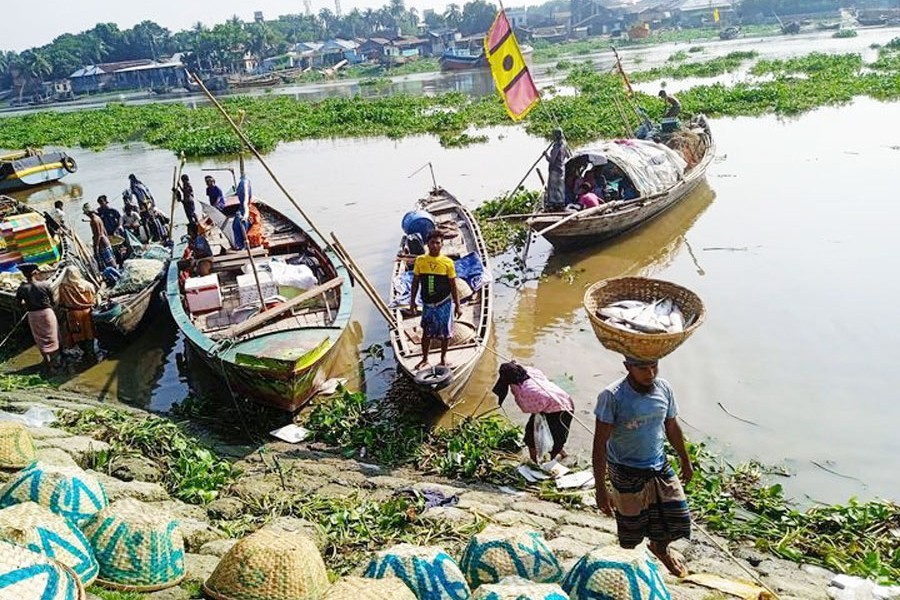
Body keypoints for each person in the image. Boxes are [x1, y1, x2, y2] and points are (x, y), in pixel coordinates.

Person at [593, 356, 693, 578]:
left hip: (658, 464)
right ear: (627, 367)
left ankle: (660, 547)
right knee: (630, 534)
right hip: (624, 468)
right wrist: (601, 488)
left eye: (654, 366)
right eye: (642, 368)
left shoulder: (664, 388)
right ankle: (629, 572)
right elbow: (599, 444)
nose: (650, 373)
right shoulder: (612, 396)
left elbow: (672, 426)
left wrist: (685, 459)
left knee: (679, 518)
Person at [493, 362, 574, 463]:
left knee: (556, 438)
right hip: (547, 405)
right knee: (530, 436)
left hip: (563, 408)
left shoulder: (527, 392)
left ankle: (554, 462)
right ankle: (535, 462)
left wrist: (516, 391)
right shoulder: (530, 372)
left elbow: (525, 408)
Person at [409, 229, 461, 369]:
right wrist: (412, 301)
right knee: (426, 332)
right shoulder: (420, 261)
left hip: (444, 302)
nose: (434, 246)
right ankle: (425, 358)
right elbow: (415, 282)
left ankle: (443, 358)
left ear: (442, 244)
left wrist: (458, 305)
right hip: (427, 303)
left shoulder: (447, 263)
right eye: (432, 243)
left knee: (445, 333)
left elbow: (453, 284)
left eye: (438, 243)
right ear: (427, 244)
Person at [15, 263, 59, 373]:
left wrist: (28, 305)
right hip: (47, 314)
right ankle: (55, 362)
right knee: (53, 337)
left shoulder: (22, 288)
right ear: (35, 272)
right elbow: (53, 301)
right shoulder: (45, 285)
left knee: (40, 339)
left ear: (24, 274)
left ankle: (48, 363)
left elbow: (18, 305)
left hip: (33, 315)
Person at [57, 266, 97, 363]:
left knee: (77, 335)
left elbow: (61, 302)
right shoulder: (88, 285)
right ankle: (91, 353)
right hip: (87, 312)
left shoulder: (63, 288)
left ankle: (85, 353)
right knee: (90, 333)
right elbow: (94, 300)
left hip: (73, 314)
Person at [128, 174, 163, 241]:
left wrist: (142, 208)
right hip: (150, 205)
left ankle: (149, 238)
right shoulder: (141, 185)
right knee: (152, 220)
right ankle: (158, 236)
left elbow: (142, 198)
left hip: (145, 206)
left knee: (145, 222)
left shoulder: (136, 187)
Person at [83, 203, 118, 270]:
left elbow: (98, 235)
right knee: (111, 260)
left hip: (102, 243)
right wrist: (107, 238)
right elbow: (104, 231)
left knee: (110, 263)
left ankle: (115, 274)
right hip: (105, 241)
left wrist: (96, 246)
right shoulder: (98, 218)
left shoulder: (94, 220)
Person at [544, 128, 571, 211]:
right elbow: (568, 156)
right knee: (560, 187)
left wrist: (546, 155)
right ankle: (561, 203)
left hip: (555, 169)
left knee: (553, 187)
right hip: (562, 168)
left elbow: (552, 160)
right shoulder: (564, 144)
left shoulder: (557, 146)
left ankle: (553, 204)